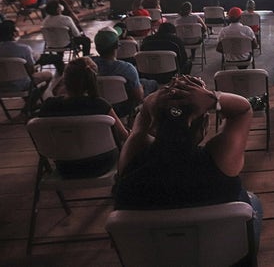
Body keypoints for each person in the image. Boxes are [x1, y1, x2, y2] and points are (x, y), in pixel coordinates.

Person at [113, 75, 262, 255]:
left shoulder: (130, 162)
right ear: (205, 126)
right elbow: (243, 109)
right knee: (253, 202)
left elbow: (139, 128)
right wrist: (213, 98)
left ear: (153, 124)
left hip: (152, 257)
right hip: (221, 255)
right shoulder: (220, 162)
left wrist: (155, 100)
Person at [39, 57, 129, 177]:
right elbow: (124, 136)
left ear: (64, 80)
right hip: (101, 164)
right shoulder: (99, 105)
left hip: (65, 166)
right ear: (92, 79)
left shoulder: (48, 106)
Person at [91, 28, 145, 117]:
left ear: (96, 48)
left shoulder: (87, 66)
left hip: (96, 108)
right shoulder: (127, 68)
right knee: (151, 84)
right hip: (122, 109)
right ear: (117, 45)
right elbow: (139, 97)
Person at [0, 20, 53, 110]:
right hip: (21, 84)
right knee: (48, 75)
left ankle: (29, 103)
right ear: (14, 33)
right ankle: (31, 103)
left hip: (1, 85)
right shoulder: (24, 49)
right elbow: (31, 70)